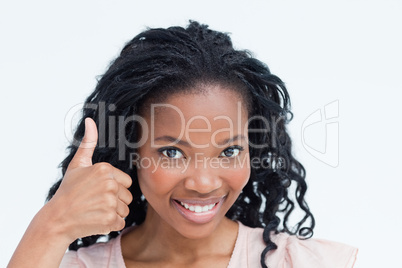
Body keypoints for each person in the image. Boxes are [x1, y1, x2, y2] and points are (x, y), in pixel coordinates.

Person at [8, 21, 358, 268]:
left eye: (230, 151)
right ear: (132, 151)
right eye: (172, 152)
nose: (203, 183)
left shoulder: (304, 263)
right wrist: (52, 225)